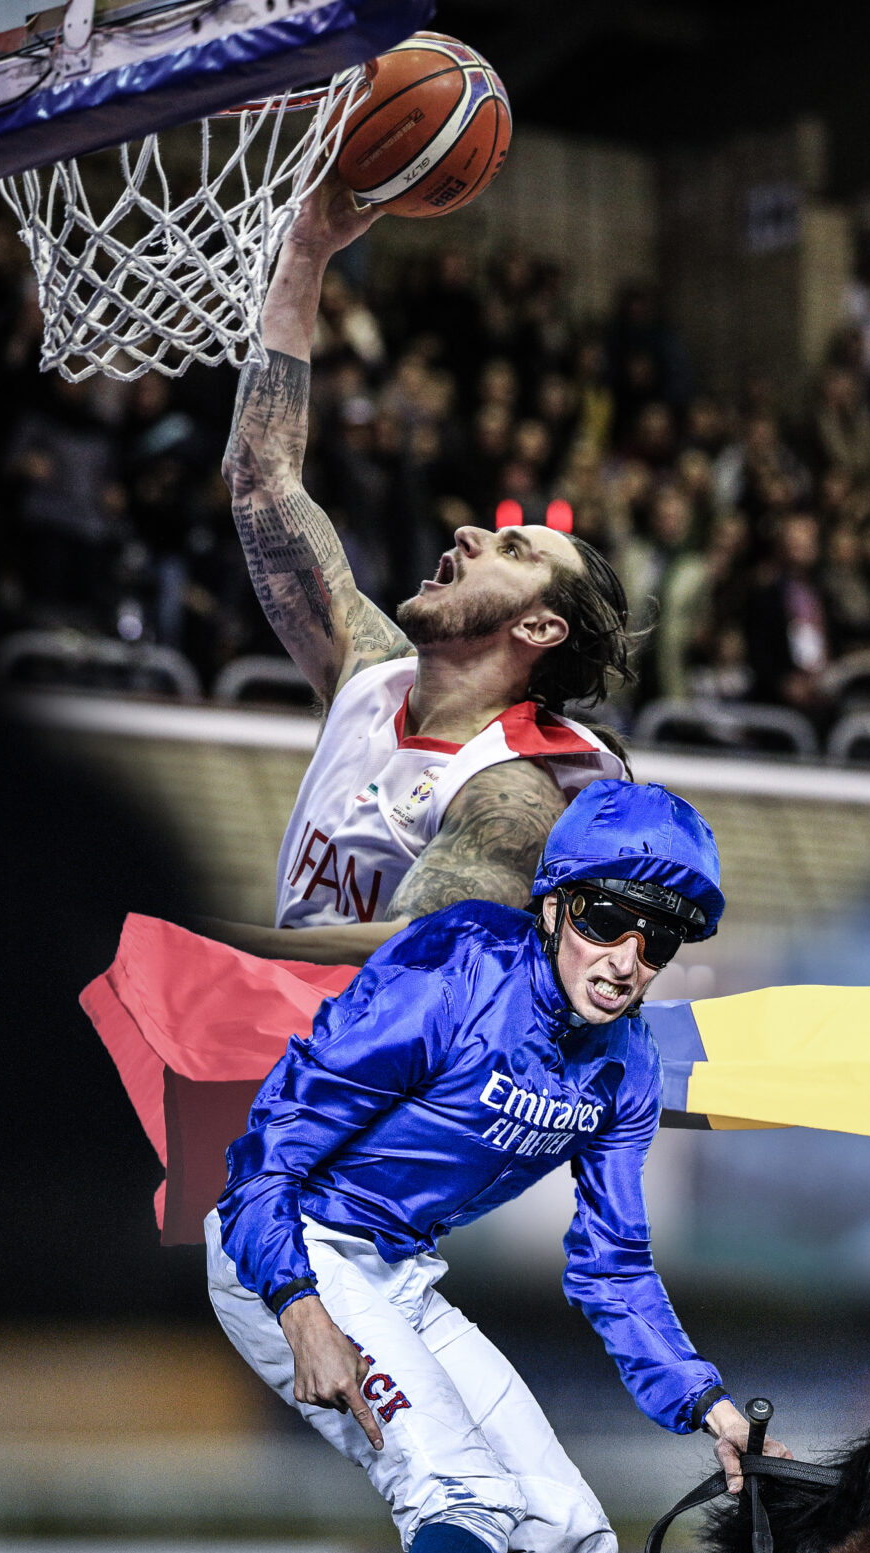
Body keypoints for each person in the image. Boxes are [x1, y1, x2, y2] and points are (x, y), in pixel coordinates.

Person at [205, 781, 788, 1553]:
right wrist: (299, 1304)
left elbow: (613, 1263)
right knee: (464, 1498)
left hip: (398, 1275)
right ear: (553, 903)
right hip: (288, 1250)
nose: (625, 961)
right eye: (607, 919)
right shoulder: (456, 970)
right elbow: (267, 1153)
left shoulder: (628, 1063)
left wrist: (704, 1400)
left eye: (658, 940)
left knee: (569, 1539)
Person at [206, 172, 634, 965]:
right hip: (291, 1049)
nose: (473, 531)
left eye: (514, 550)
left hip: (397, 1080)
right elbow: (262, 478)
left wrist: (197, 942)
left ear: (541, 625)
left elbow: (411, 958)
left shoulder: (513, 789)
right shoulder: (371, 670)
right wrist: (306, 249)